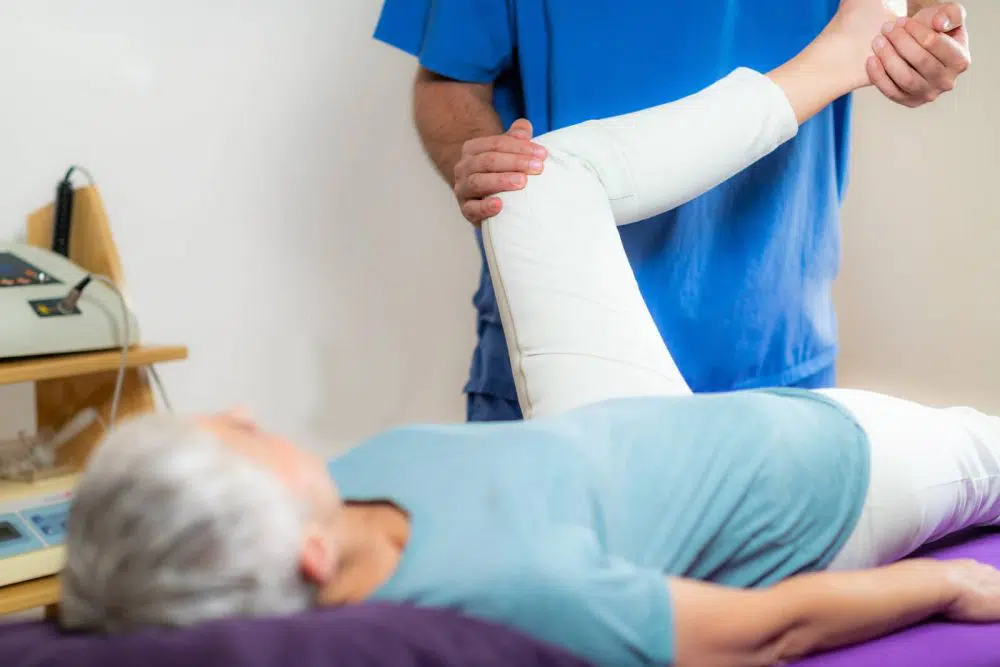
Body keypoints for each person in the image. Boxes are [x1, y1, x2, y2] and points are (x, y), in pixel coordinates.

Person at [60, 5, 1000, 667]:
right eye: (237, 442)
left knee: (533, 187)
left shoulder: (330, 501)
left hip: (687, 377)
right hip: (819, 474)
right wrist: (953, 589)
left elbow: (171, 585)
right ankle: (832, 55)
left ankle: (836, 57)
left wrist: (924, 37)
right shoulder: (523, 588)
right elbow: (771, 630)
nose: (235, 409)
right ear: (305, 555)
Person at [374, 0, 973, 423]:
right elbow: (445, 82)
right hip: (551, 343)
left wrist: (922, 43)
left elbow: (913, 15)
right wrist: (477, 159)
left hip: (768, 340)